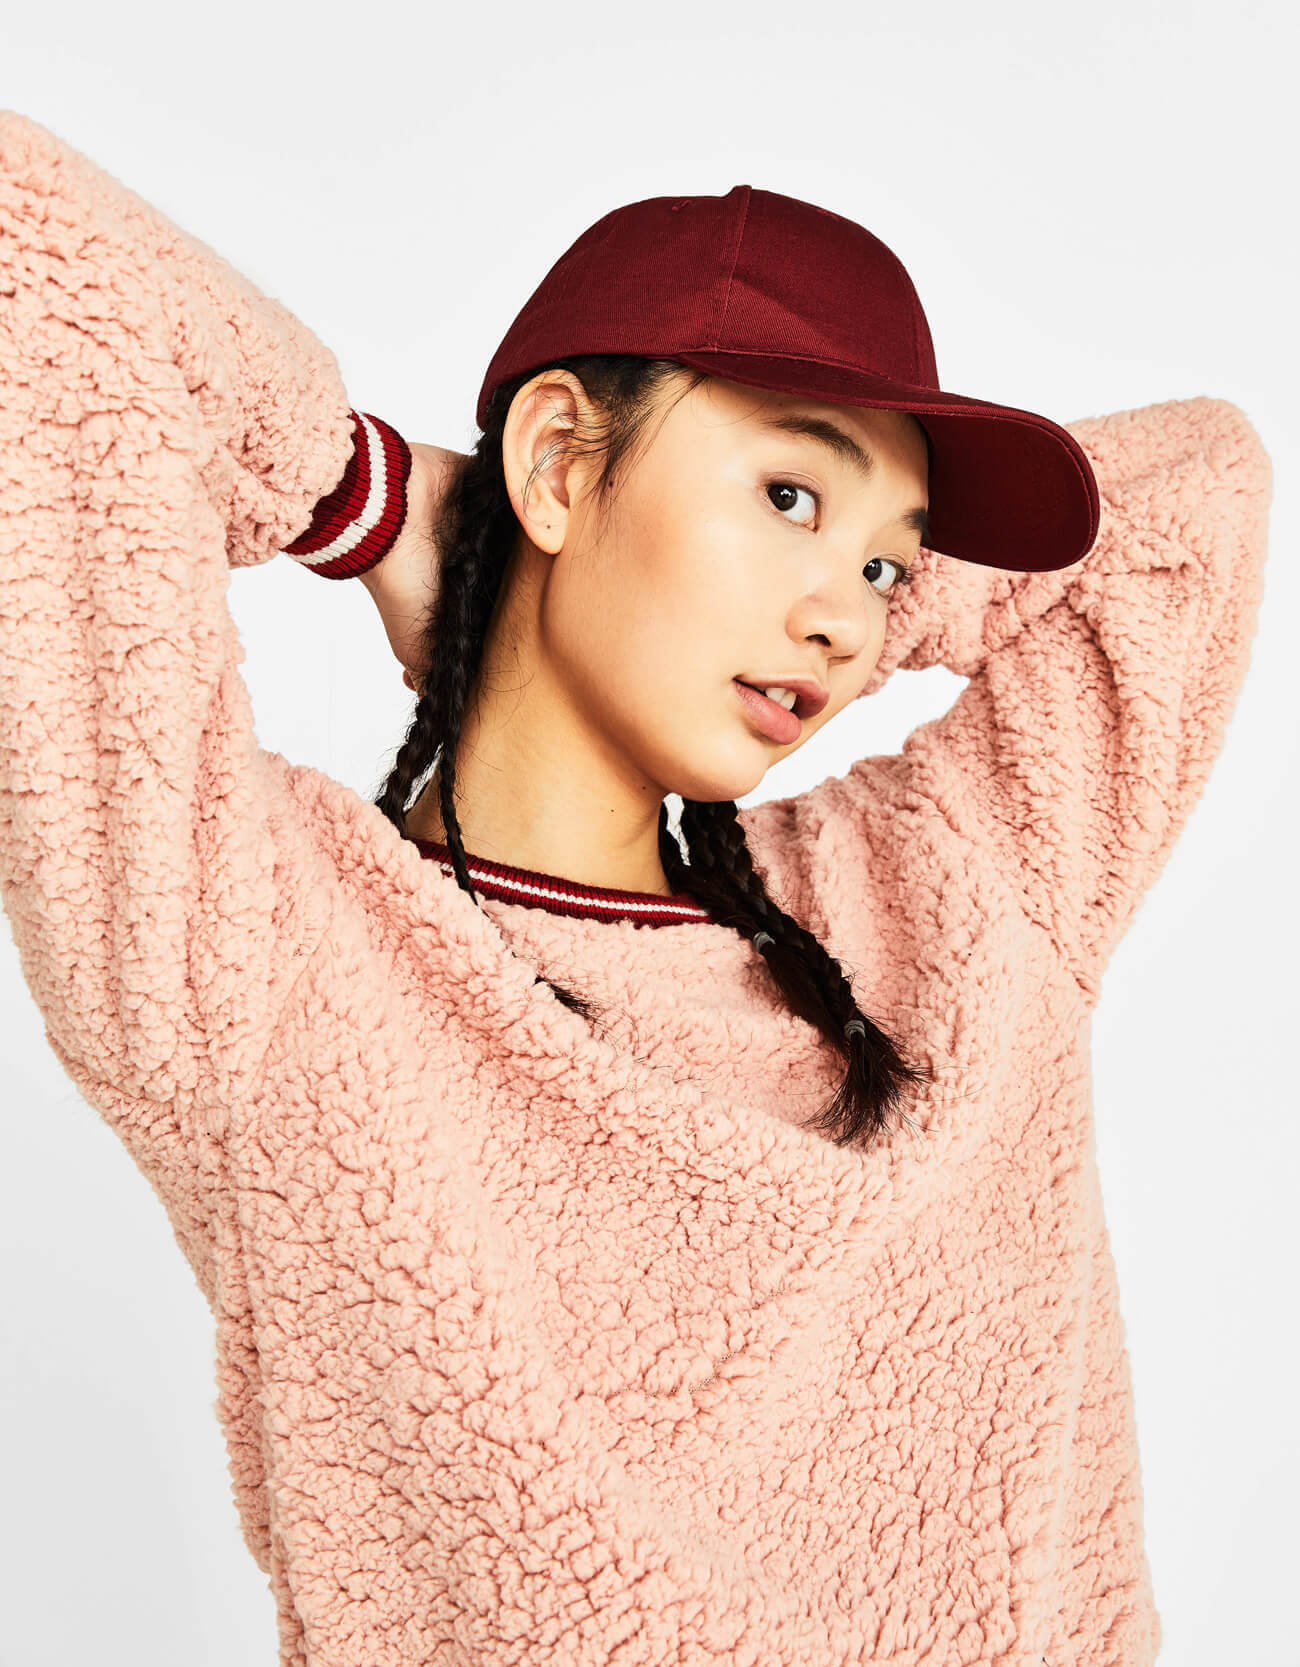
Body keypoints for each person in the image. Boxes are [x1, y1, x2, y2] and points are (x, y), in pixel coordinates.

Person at [0, 110, 1273, 1667]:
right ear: (556, 459)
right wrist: (370, 500)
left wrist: (849, 563)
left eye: (890, 563)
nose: (848, 622)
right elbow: (33, 266)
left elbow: (1198, 505)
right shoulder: (259, 952)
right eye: (791, 497)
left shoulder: (948, 899)